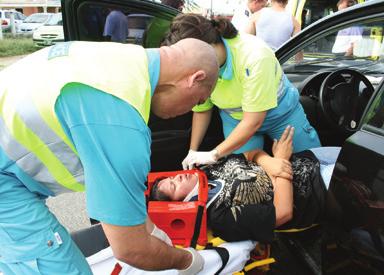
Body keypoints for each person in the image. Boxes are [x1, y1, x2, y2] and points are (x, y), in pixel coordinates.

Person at [0, 39, 219, 274]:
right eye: (198, 101)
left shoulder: (120, 59)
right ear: (194, 78)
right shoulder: (119, 123)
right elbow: (131, 250)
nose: (190, 110)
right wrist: (187, 261)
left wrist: (151, 230)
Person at [162, 14, 321, 170]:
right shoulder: (199, 67)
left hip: (282, 115)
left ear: (207, 47)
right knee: (246, 178)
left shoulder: (254, 56)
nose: (192, 72)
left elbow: (253, 121)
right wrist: (193, 151)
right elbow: (202, 110)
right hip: (235, 120)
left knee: (311, 163)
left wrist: (214, 154)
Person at [151, 127, 339, 242]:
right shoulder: (219, 217)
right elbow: (282, 213)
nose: (178, 178)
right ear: (182, 204)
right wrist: (281, 160)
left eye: (172, 178)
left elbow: (251, 154)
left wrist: (270, 162)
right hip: (319, 187)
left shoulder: (206, 172)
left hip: (311, 158)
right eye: (174, 187)